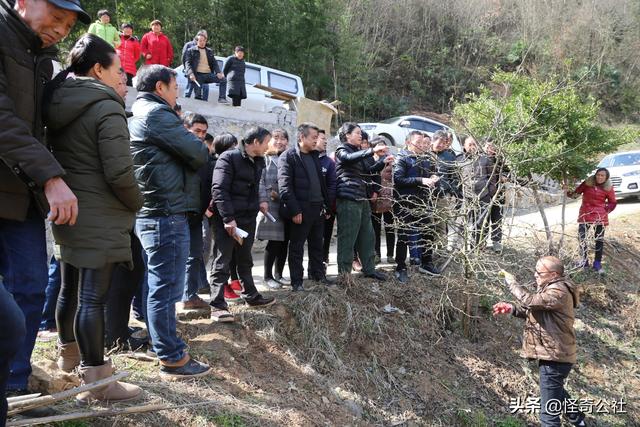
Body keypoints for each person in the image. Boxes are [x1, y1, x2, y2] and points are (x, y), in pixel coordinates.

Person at [44, 33, 143, 403]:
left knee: (69, 289)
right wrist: (137, 200)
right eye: (119, 70)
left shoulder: (58, 102)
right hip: (100, 212)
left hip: (68, 208)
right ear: (98, 70)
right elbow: (120, 173)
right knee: (92, 298)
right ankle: (97, 382)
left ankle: (67, 360)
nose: (124, 78)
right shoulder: (106, 106)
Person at [0, 0, 89, 409]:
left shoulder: (44, 59)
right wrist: (51, 177)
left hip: (24, 195)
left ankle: (15, 381)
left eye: (67, 26)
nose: (59, 30)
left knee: (32, 288)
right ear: (23, 2)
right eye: (55, 17)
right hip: (26, 181)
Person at [129, 64, 211, 378]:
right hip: (165, 212)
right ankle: (172, 356)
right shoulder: (158, 115)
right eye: (176, 86)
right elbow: (197, 152)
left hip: (153, 211)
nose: (178, 93)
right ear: (161, 86)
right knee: (165, 289)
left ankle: (160, 342)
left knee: (156, 285)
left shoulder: (141, 114)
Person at [493, 257, 586, 427]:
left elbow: (530, 301)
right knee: (555, 390)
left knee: (548, 415)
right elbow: (536, 312)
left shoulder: (558, 291)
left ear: (553, 274)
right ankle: (577, 419)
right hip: (556, 355)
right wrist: (511, 309)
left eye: (539, 273)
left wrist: (512, 283)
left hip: (554, 357)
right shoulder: (553, 288)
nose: (535, 275)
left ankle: (577, 419)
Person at [210, 127, 276, 322]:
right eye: (266, 142)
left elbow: (256, 187)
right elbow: (219, 189)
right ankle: (217, 305)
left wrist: (260, 203)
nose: (268, 147)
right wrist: (228, 219)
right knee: (223, 260)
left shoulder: (258, 160)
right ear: (255, 142)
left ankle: (251, 296)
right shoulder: (229, 158)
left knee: (245, 258)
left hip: (247, 217)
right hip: (229, 219)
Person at [278, 123, 333, 291]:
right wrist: (295, 210)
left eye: (317, 138)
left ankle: (318, 275)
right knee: (297, 247)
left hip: (317, 208)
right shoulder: (288, 157)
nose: (316, 141)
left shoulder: (315, 156)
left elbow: (321, 184)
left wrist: (327, 206)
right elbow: (284, 186)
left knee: (318, 244)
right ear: (302, 137)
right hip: (300, 210)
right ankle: (297, 282)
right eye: (314, 138)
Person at [334, 123, 389, 281]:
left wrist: (384, 160)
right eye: (357, 133)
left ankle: (369, 269)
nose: (361, 136)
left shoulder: (359, 152)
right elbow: (348, 159)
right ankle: (344, 275)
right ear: (347, 135)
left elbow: (370, 170)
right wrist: (371, 150)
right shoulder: (341, 150)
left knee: (368, 235)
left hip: (362, 198)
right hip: (348, 198)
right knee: (348, 237)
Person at [393, 131, 441, 283]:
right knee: (403, 236)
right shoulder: (402, 158)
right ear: (408, 142)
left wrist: (434, 178)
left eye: (423, 143)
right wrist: (421, 180)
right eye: (417, 142)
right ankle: (400, 267)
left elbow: (434, 175)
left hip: (423, 202)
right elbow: (398, 179)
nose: (421, 145)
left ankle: (426, 263)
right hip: (405, 203)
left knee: (428, 231)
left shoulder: (427, 159)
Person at [181, 113, 211, 311]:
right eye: (196, 131)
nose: (200, 135)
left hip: (197, 214)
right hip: (179, 211)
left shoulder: (204, 153)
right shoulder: (178, 150)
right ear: (186, 128)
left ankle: (189, 295)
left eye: (204, 132)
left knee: (194, 255)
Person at [256, 129, 290, 289]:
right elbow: (260, 181)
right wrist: (268, 195)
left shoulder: (288, 159)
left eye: (284, 138)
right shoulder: (265, 159)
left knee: (284, 242)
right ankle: (267, 276)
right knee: (274, 242)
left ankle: (279, 274)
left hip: (286, 205)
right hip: (271, 205)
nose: (280, 141)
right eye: (276, 138)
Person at [567, 168, 617, 273]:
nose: (600, 177)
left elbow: (613, 202)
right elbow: (575, 194)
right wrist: (567, 191)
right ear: (595, 175)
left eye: (602, 175)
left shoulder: (608, 187)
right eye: (598, 175)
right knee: (582, 238)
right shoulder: (587, 183)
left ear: (606, 177)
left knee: (599, 240)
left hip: (600, 217)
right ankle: (584, 262)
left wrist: (605, 210)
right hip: (585, 215)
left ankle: (597, 264)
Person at [460, 136, 496, 249]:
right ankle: (465, 246)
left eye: (474, 144)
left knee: (482, 222)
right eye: (469, 144)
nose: (472, 147)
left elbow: (492, 177)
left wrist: (490, 192)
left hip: (484, 195)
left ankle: (479, 245)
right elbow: (456, 178)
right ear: (464, 146)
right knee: (466, 222)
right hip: (467, 197)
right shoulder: (460, 160)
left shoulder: (485, 159)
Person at [431, 130, 463, 252]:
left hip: (442, 196)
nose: (440, 145)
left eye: (443, 143)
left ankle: (440, 251)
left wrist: (450, 191)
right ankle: (427, 253)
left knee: (440, 225)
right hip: (424, 196)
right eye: (438, 142)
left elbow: (454, 177)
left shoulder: (449, 157)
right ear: (433, 140)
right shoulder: (425, 155)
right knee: (427, 226)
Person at [368, 137, 395, 264]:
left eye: (384, 147)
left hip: (389, 197)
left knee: (390, 227)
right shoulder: (370, 161)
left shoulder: (391, 160)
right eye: (379, 147)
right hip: (375, 198)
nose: (383, 149)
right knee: (375, 229)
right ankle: (376, 254)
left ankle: (390, 254)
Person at [184, 33, 228, 103]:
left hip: (208, 75)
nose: (202, 42)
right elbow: (187, 63)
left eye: (203, 41)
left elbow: (214, 63)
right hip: (198, 75)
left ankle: (222, 98)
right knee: (198, 96)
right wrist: (190, 73)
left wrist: (218, 72)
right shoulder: (191, 50)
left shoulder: (209, 51)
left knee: (223, 79)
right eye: (200, 41)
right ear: (197, 41)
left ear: (205, 41)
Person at [317, 130, 337, 267]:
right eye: (322, 138)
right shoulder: (304, 159)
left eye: (326, 139)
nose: (325, 141)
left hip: (327, 207)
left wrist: (328, 207)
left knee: (326, 235)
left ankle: (324, 259)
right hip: (309, 207)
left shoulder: (329, 163)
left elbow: (332, 186)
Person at [181, 30, 206, 98]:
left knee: (198, 93)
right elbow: (184, 57)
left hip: (200, 72)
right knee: (188, 90)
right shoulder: (189, 45)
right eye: (203, 36)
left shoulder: (203, 47)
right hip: (190, 70)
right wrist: (186, 69)